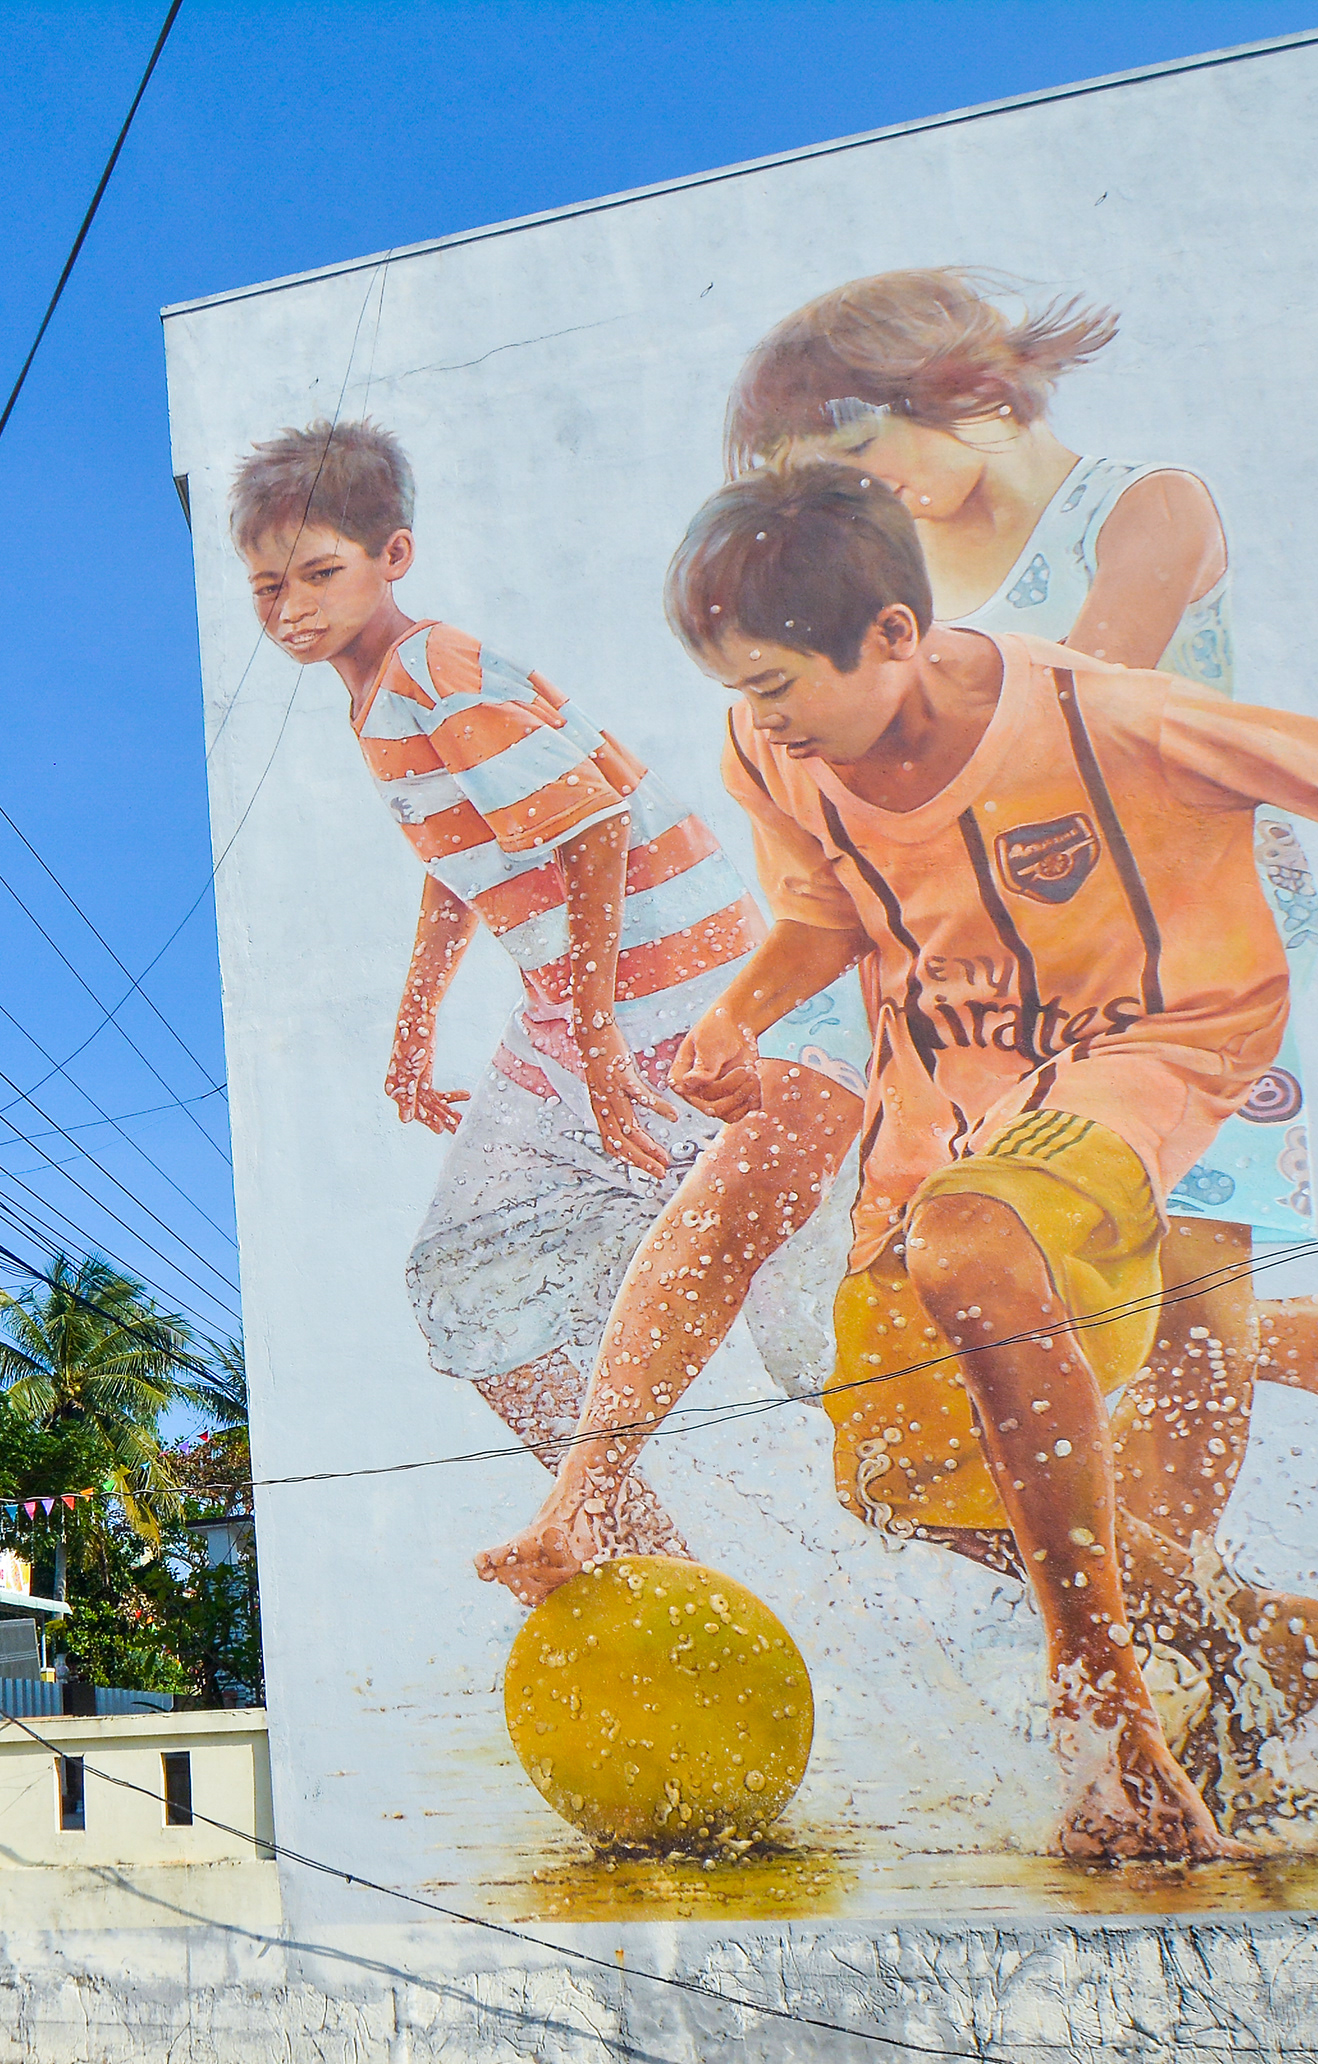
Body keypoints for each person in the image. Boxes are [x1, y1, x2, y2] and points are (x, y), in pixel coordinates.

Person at [513, 462, 1318, 1861]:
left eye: (775, 684)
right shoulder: (778, 757)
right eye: (738, 692)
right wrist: (735, 1013)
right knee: (898, 1473)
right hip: (953, 1087)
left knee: (975, 1247)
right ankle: (1264, 1631)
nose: (759, 722)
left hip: (1152, 1037)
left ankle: (1098, 1703)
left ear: (892, 640)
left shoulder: (1106, 714)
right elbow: (820, 920)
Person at [721, 270, 1318, 1592]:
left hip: (1178, 955)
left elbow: (1076, 715)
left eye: (857, 452)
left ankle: (1190, 1647)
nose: (861, 499)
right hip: (987, 978)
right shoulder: (896, 572)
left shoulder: (1141, 508)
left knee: (1180, 1280)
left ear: (965, 391)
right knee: (1026, 1319)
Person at [231, 419, 861, 1570]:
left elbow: (595, 823)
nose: (289, 609)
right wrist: (414, 1031)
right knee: (462, 1283)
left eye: (320, 573)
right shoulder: (374, 695)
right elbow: (461, 860)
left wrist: (604, 1042)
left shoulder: (431, 668)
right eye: (266, 587)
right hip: (573, 1014)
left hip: (684, 997)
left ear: (394, 555)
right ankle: (635, 1550)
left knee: (811, 1334)